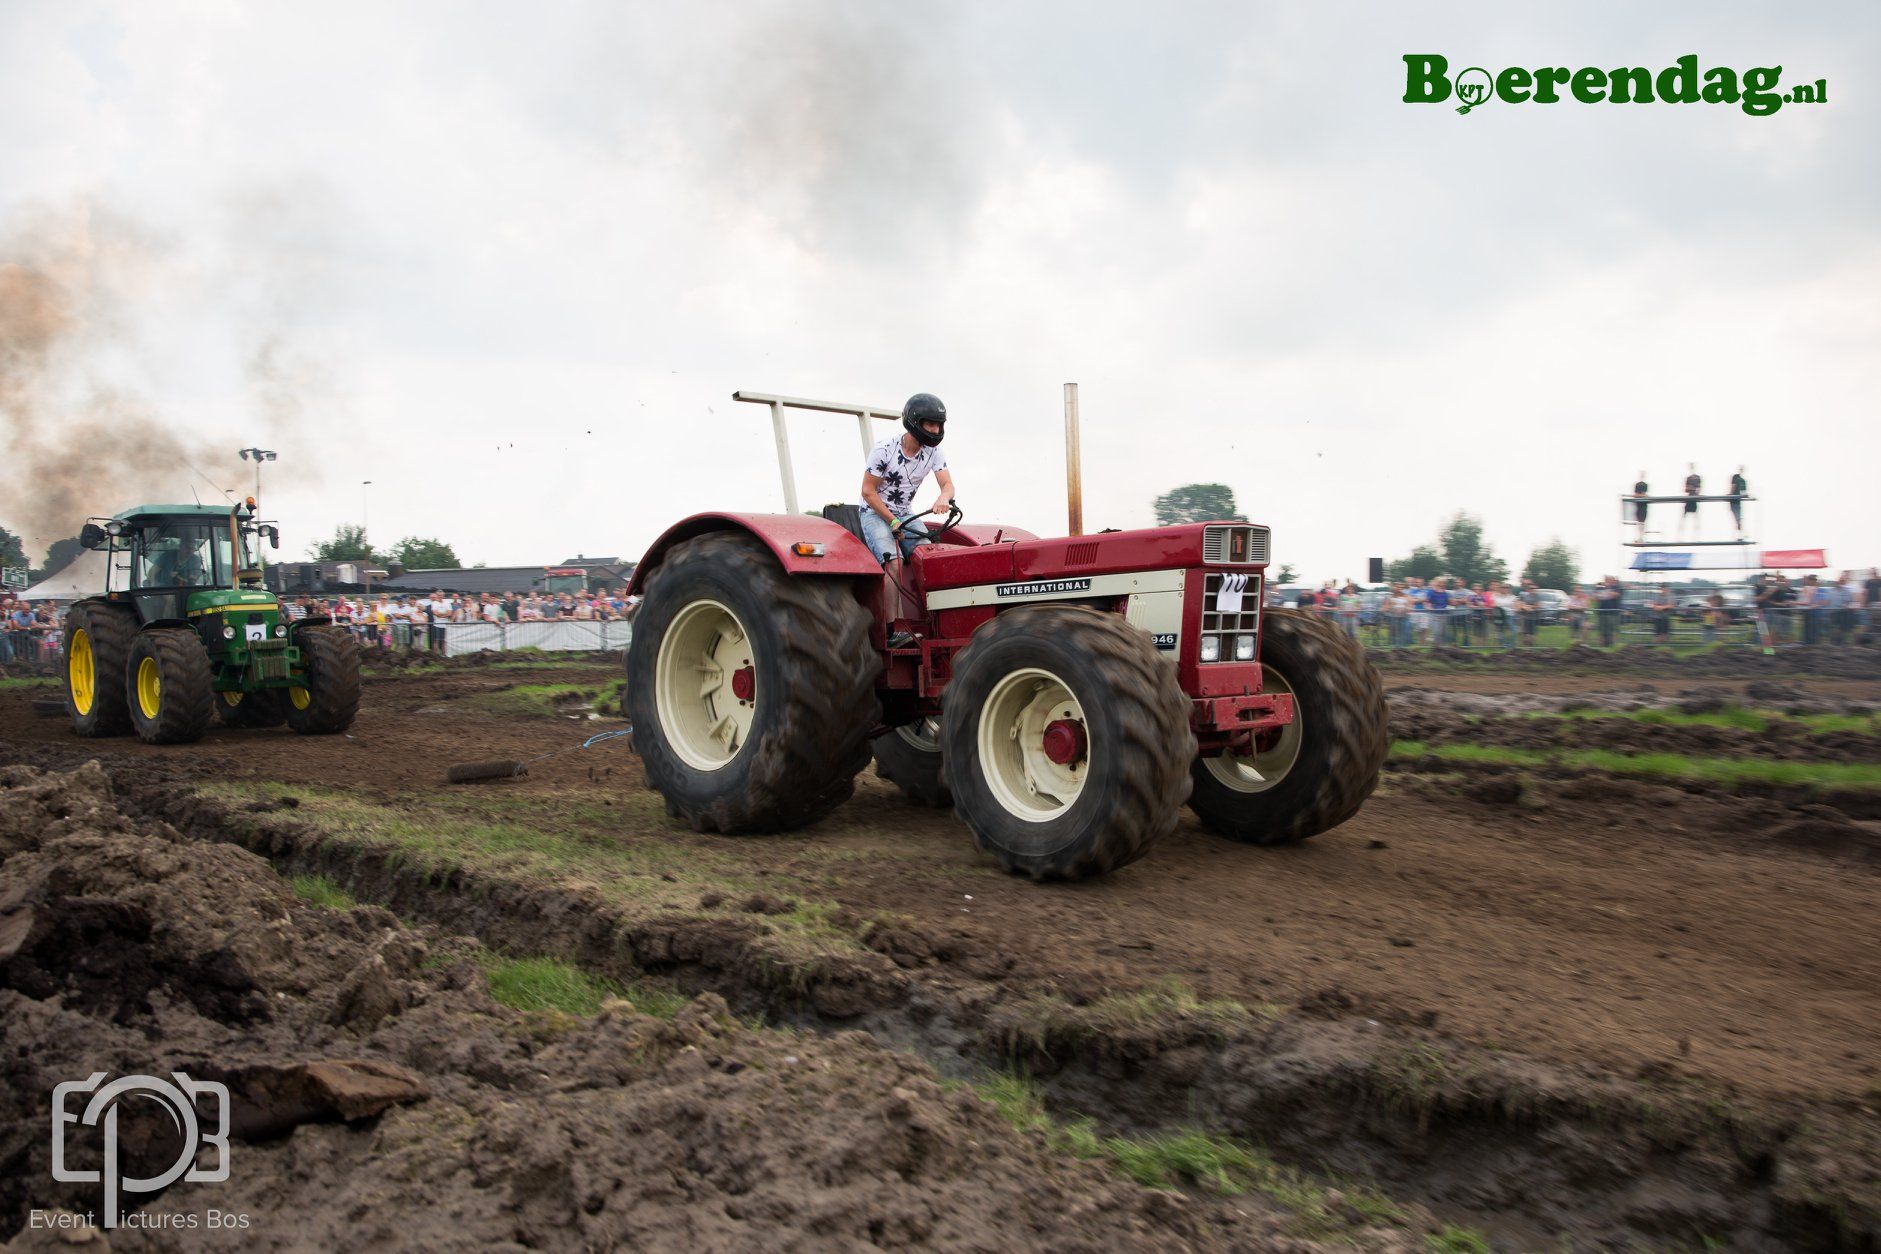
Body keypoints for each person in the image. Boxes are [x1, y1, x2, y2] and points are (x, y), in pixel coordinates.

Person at [861, 392, 957, 648]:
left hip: (905, 512)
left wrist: (943, 498)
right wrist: (892, 521)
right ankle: (891, 631)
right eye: (930, 424)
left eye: (938, 425)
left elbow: (948, 485)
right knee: (893, 563)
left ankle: (936, 623)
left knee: (929, 557)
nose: (935, 430)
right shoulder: (884, 450)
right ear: (914, 422)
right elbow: (868, 492)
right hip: (875, 512)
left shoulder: (934, 452)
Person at [1595, 576, 1623, 647]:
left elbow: (1615, 595)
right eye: (1605, 580)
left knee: (1613, 630)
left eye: (1608, 580)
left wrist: (1605, 593)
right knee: (1601, 631)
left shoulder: (1616, 587)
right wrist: (1605, 594)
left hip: (1613, 613)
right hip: (1601, 612)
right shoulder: (1600, 587)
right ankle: (1601, 647)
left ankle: (1614, 646)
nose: (1606, 581)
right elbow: (1597, 597)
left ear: (1612, 581)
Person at [1678, 464, 1702, 539]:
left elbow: (1698, 489)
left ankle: (1696, 536)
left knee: (1695, 517)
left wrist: (1692, 489)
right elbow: (1686, 489)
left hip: (1693, 499)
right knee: (1684, 517)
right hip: (1689, 498)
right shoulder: (1689, 478)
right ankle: (1680, 535)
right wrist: (1693, 489)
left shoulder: (1697, 477)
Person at [1729, 466, 1748, 534]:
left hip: (1734, 500)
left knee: (1736, 516)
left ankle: (1739, 529)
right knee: (1738, 517)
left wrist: (1730, 494)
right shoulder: (1743, 480)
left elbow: (1733, 486)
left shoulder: (1735, 477)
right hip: (1737, 501)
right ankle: (1740, 529)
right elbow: (1744, 492)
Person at [1631, 472, 1650, 541]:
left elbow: (1644, 495)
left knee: (1642, 522)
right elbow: (1636, 495)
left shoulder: (1645, 485)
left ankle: (1641, 537)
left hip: (1643, 506)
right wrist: (1642, 496)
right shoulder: (1637, 485)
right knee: (1639, 523)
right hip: (1639, 506)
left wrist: (1642, 496)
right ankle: (1640, 537)